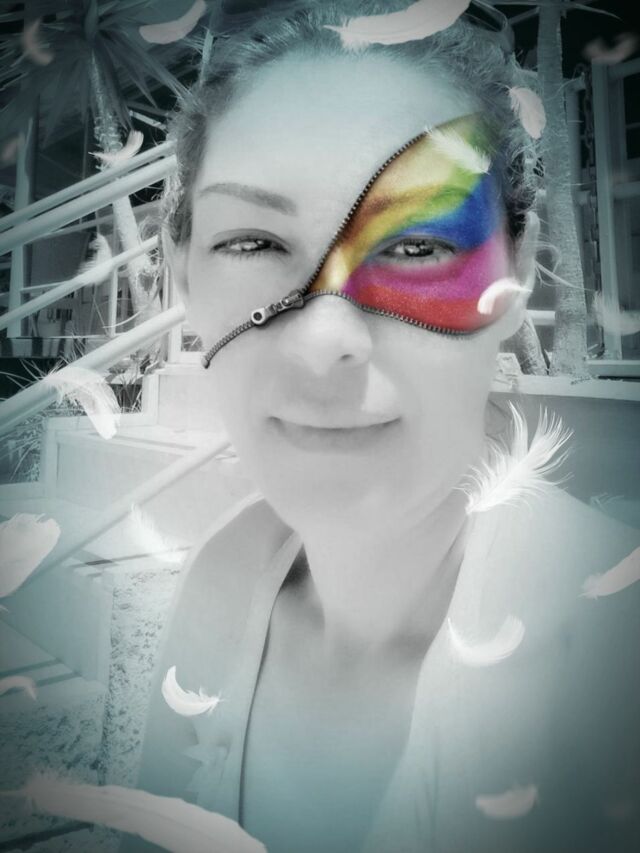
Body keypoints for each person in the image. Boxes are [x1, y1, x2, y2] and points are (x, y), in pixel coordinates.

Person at [120, 3, 640, 851]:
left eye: (418, 244)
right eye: (254, 242)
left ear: (513, 275)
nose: (324, 337)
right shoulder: (219, 588)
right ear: (182, 277)